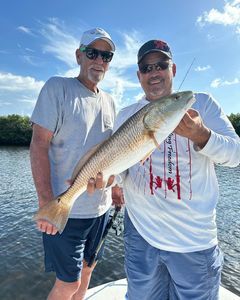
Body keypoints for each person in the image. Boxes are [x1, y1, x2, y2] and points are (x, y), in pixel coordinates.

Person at [113, 39, 240, 299]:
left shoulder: (202, 104)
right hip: (141, 236)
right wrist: (105, 180)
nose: (154, 73)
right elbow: (119, 171)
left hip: (193, 241)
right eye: (146, 68)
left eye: (161, 65)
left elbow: (235, 155)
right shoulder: (125, 115)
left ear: (173, 69)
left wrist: (202, 135)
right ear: (139, 76)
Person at [30, 27, 117, 300]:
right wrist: (46, 202)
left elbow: (110, 155)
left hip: (101, 210)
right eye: (93, 52)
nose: (99, 60)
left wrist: (114, 186)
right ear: (78, 55)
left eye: (106, 55)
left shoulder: (110, 101)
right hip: (66, 212)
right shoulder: (58, 87)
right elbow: (39, 144)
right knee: (67, 284)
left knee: (88, 272)